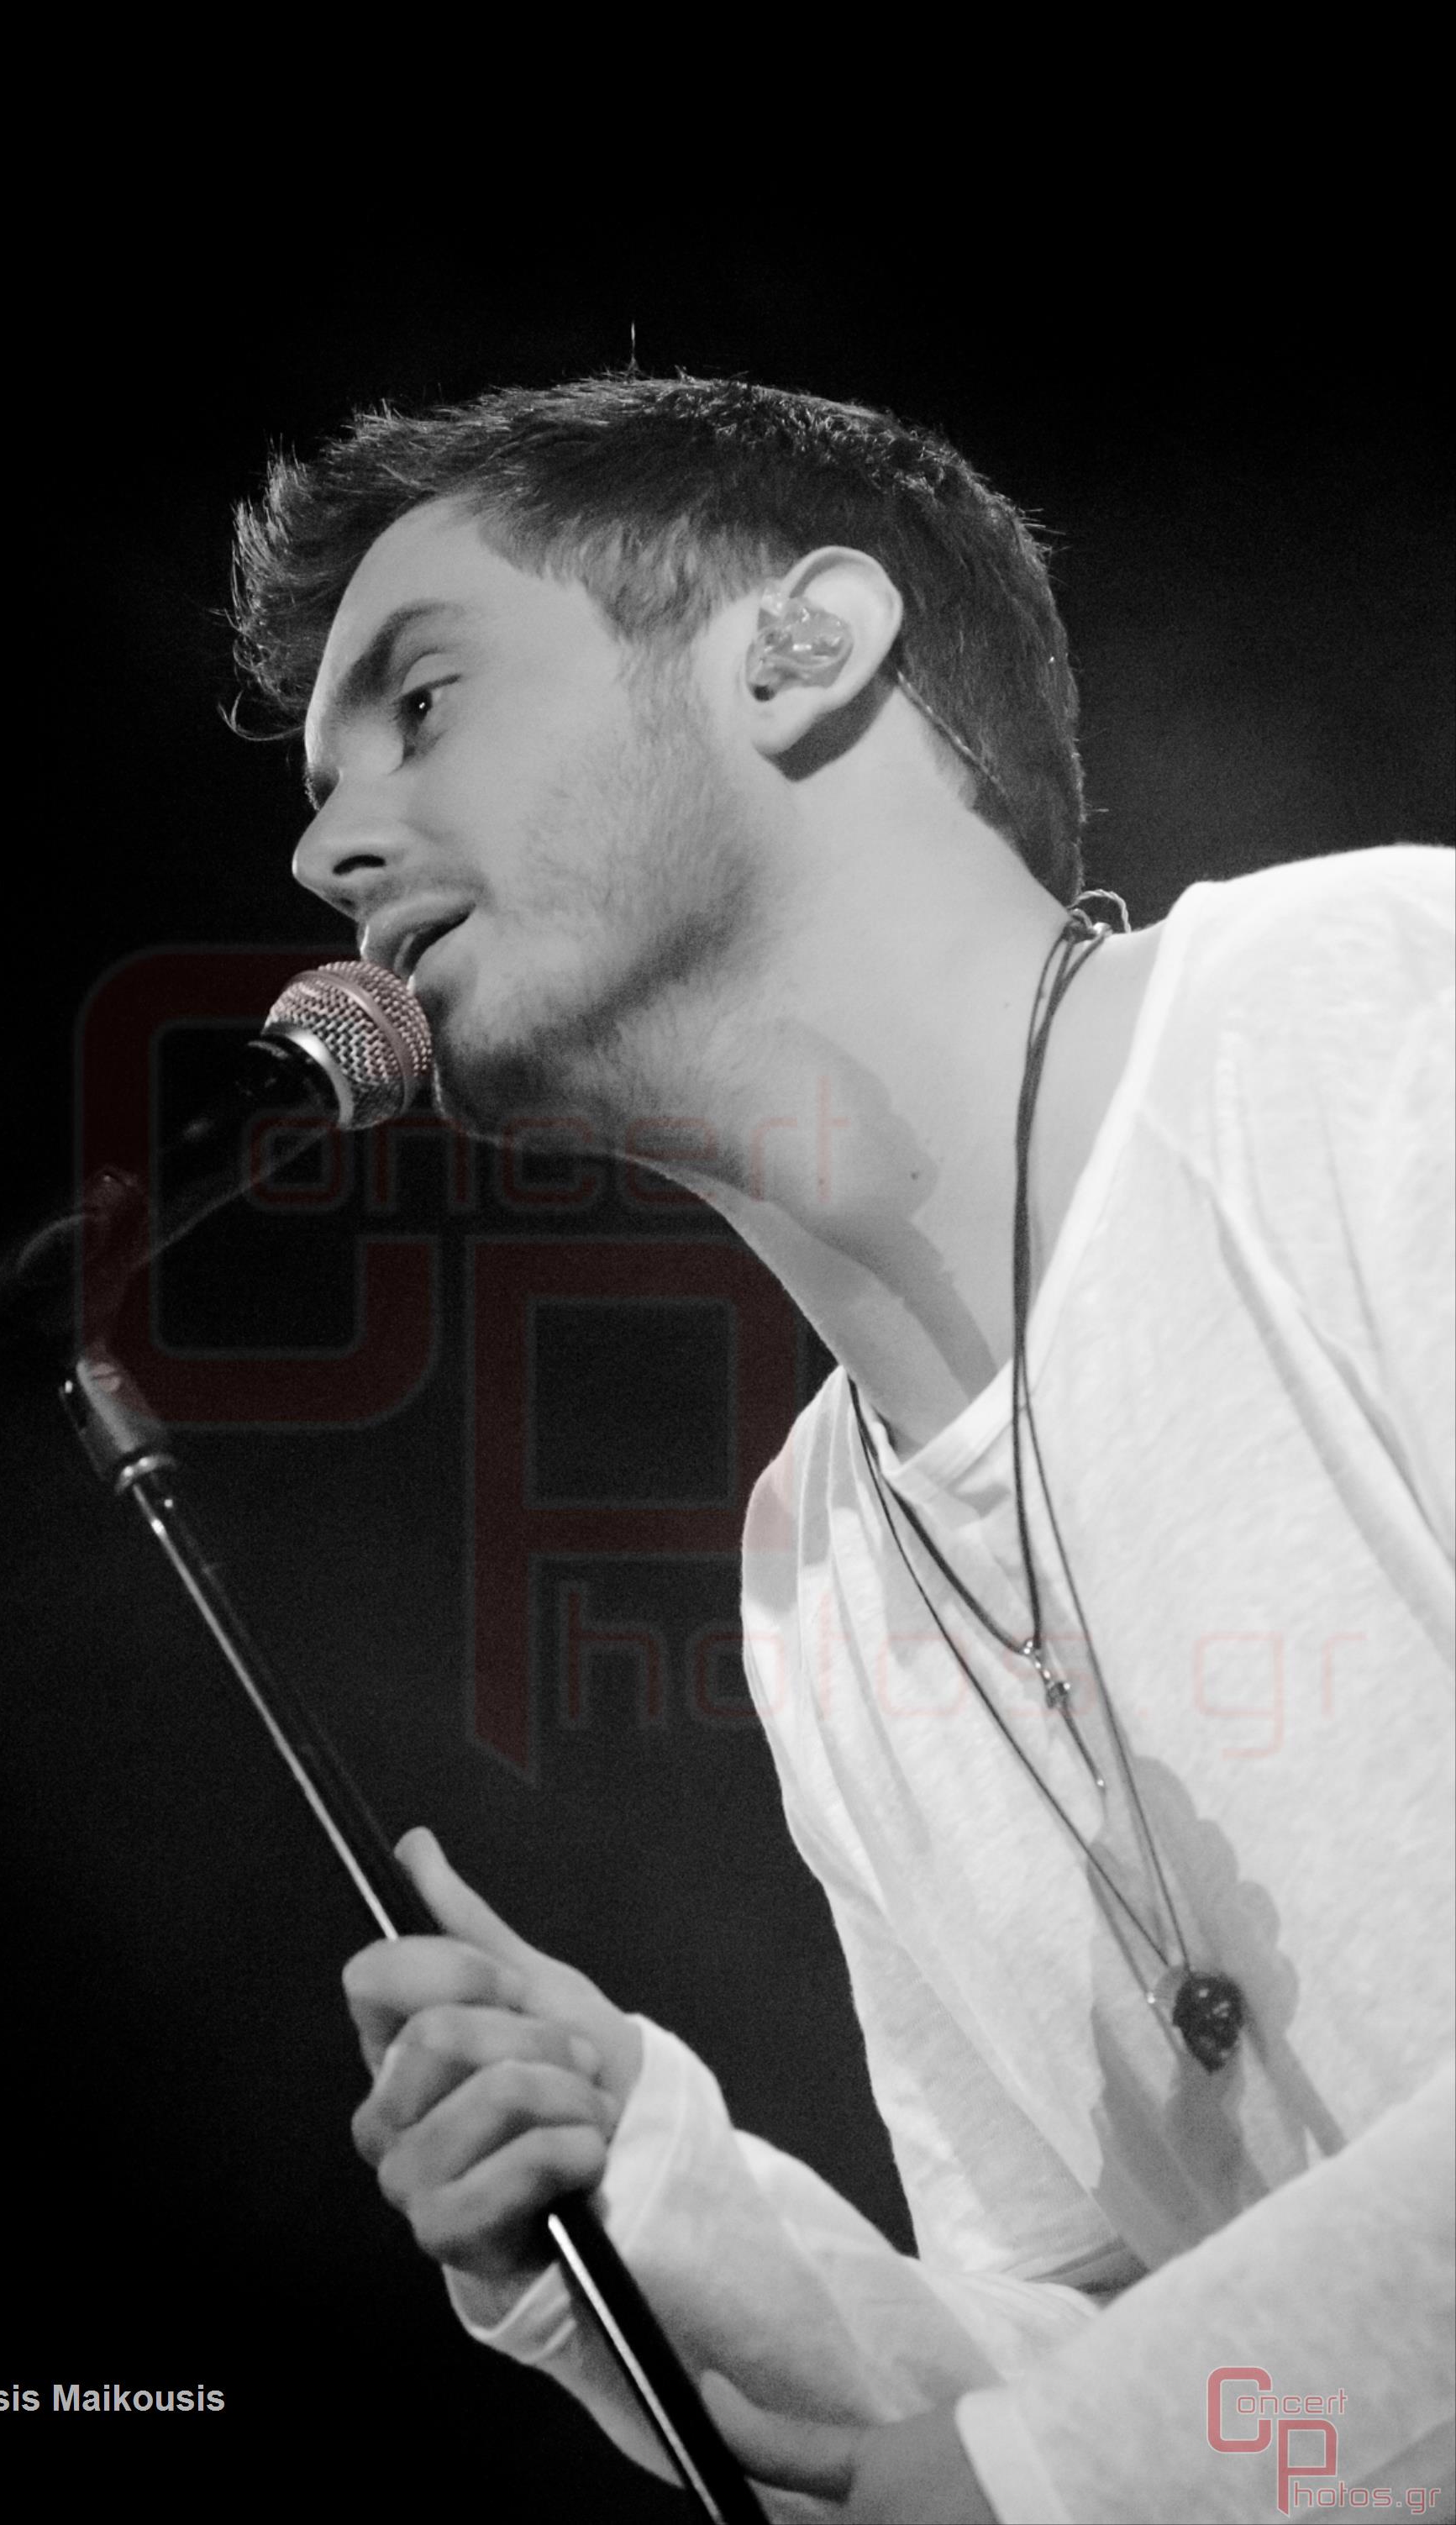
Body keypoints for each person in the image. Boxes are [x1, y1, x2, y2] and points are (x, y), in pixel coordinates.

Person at [231, 376, 1454, 2521]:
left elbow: (1081, 2457)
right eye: (327, 793)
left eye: (422, 705)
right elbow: (1120, 2337)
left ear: (803, 647)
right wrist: (663, 2212)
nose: (326, 854)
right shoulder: (817, 1566)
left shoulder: (1377, 1013)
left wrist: (1060, 2468)